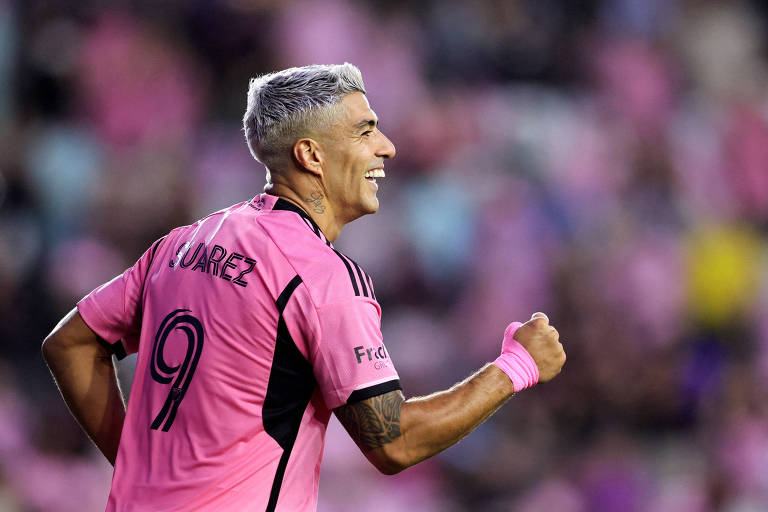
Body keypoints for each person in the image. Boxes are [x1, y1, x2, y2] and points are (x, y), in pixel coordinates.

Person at [42, 63, 566, 512]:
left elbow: (69, 344)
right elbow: (395, 443)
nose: (387, 146)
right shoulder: (322, 276)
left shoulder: (181, 244)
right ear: (312, 155)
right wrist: (515, 368)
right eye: (365, 131)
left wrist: (136, 464)